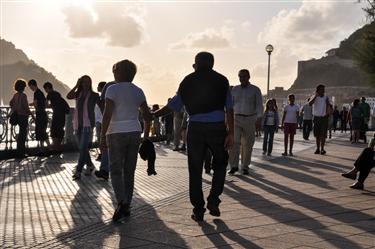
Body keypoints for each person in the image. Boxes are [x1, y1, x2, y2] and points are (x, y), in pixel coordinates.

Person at [154, 52, 234, 222]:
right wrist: (231, 132)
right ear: (212, 63)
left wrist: (153, 114)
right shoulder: (222, 80)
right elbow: (230, 109)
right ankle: (213, 199)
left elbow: (173, 105)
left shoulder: (188, 80)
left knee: (195, 169)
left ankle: (198, 209)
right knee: (220, 163)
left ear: (196, 64)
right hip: (217, 128)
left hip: (195, 128)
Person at [100, 59, 152, 222]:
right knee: (129, 170)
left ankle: (121, 202)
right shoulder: (138, 91)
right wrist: (146, 137)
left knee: (116, 170)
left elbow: (107, 114)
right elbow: (146, 116)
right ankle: (127, 204)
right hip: (135, 131)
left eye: (114, 70)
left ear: (119, 72)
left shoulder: (112, 89)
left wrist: (102, 137)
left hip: (116, 132)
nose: (113, 73)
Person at [228, 69, 263, 175]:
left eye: (244, 76)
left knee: (247, 144)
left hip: (250, 118)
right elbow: (230, 105)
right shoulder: (235, 89)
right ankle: (234, 166)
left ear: (249, 77)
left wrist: (258, 119)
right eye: (240, 76)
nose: (242, 79)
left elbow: (259, 105)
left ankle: (245, 166)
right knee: (234, 142)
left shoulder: (255, 90)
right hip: (236, 118)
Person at [67, 75, 99, 180]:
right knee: (82, 148)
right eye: (84, 82)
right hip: (78, 124)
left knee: (83, 147)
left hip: (88, 125)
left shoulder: (94, 95)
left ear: (90, 83)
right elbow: (68, 96)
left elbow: (103, 106)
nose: (86, 84)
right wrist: (76, 85)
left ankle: (78, 171)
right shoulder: (78, 94)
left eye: (88, 82)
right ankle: (89, 165)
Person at [9, 79, 34, 158]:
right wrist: (32, 115)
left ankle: (18, 152)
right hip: (23, 116)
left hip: (17, 116)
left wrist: (15, 108)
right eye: (24, 86)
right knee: (23, 134)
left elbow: (11, 103)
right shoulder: (23, 95)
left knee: (21, 134)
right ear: (23, 87)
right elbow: (26, 107)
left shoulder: (15, 95)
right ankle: (21, 153)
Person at [43, 82, 70, 153]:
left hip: (56, 114)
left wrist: (48, 106)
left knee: (54, 130)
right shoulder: (57, 94)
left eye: (45, 89)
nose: (45, 91)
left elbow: (46, 105)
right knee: (60, 130)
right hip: (62, 114)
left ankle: (55, 147)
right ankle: (58, 147)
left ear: (47, 88)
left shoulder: (50, 94)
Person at [309, 84, 330, 155]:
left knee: (323, 135)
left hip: (324, 118)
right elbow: (310, 104)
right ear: (318, 91)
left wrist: (327, 114)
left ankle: (322, 149)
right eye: (322, 89)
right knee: (317, 135)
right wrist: (315, 96)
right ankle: (317, 148)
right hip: (316, 118)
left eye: (324, 89)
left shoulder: (326, 97)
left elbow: (328, 105)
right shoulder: (314, 97)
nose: (323, 91)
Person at [28, 79, 49, 149]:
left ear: (33, 85)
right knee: (43, 132)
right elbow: (46, 103)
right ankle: (46, 147)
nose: (30, 89)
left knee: (40, 132)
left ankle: (44, 148)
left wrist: (28, 104)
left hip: (39, 114)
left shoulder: (36, 93)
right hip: (43, 113)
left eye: (30, 87)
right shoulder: (41, 92)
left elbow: (35, 103)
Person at [94, 81, 106, 161]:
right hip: (98, 120)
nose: (97, 87)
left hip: (102, 121)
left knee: (101, 139)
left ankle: (103, 154)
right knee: (100, 139)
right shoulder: (101, 97)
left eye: (98, 86)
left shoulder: (101, 97)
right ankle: (103, 154)